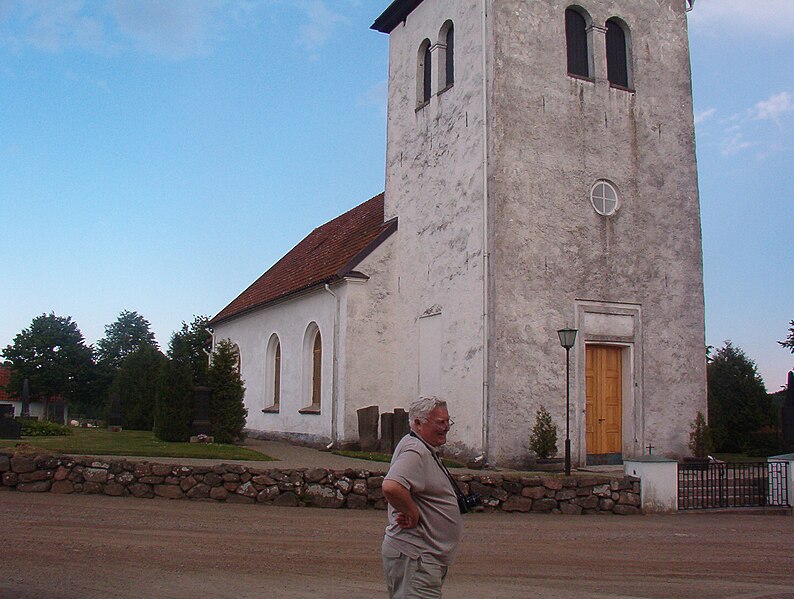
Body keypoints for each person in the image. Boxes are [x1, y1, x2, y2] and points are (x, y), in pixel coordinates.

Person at [381, 396, 463, 598]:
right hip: (416, 557)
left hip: (422, 557)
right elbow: (391, 486)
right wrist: (412, 513)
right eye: (439, 422)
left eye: (447, 421)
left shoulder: (423, 447)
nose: (446, 428)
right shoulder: (415, 450)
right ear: (417, 423)